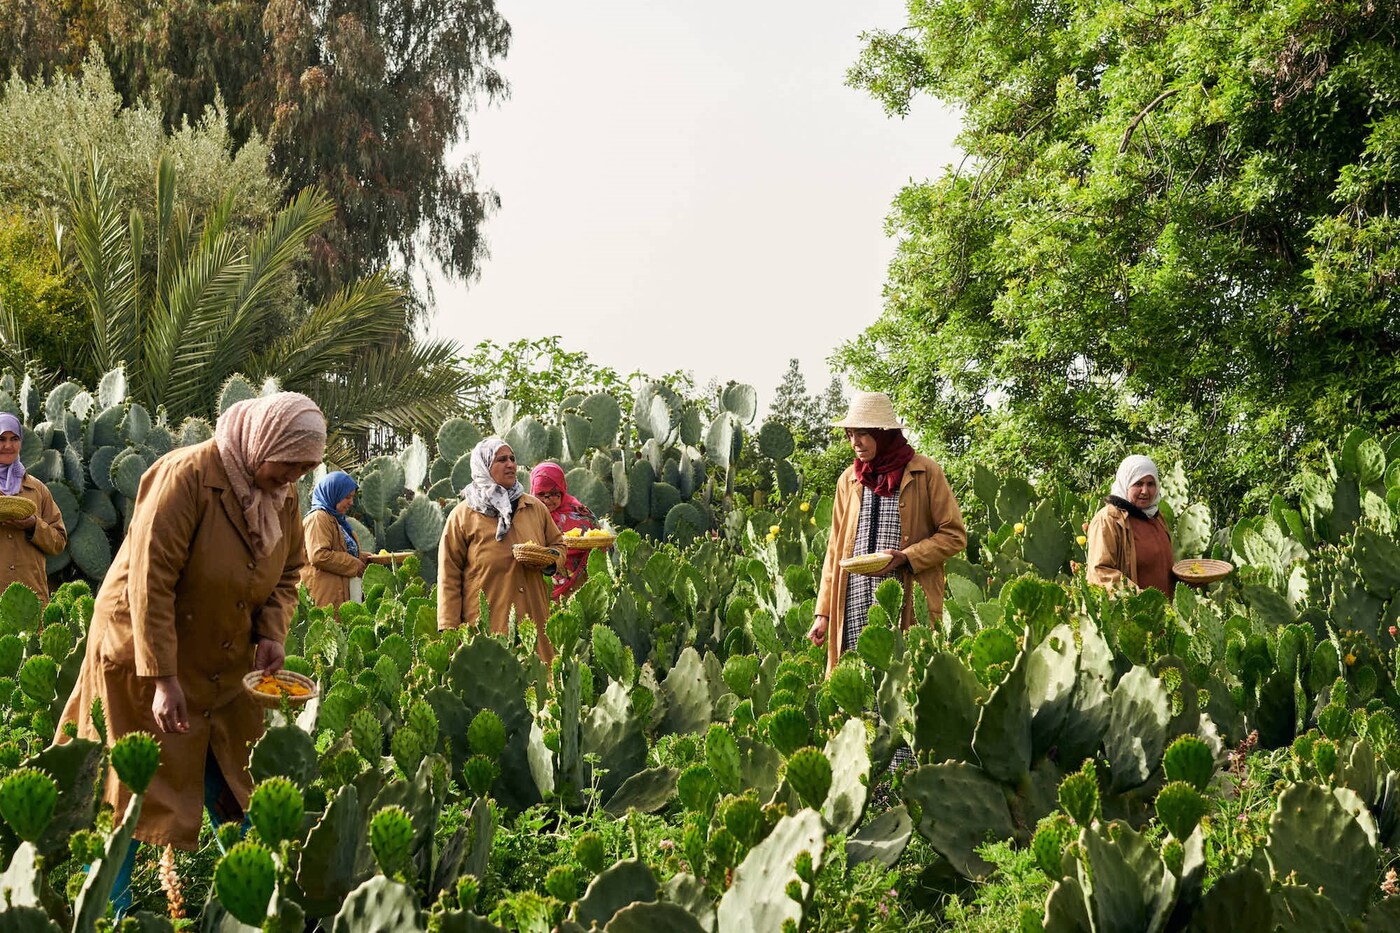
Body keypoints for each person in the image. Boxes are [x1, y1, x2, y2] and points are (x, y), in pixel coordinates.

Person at [56, 393, 326, 914]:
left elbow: (289, 572)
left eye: (306, 468)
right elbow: (150, 581)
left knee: (237, 780)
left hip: (224, 663)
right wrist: (162, 678)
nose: (294, 478)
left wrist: (271, 630)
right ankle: (111, 918)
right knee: (132, 793)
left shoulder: (282, 496)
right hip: (141, 657)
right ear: (263, 442)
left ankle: (260, 911)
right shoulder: (186, 476)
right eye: (290, 463)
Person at [808, 392, 967, 673]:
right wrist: (823, 613)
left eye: (863, 434)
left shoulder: (925, 472)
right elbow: (835, 549)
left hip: (906, 601)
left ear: (883, 434)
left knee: (904, 683)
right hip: (854, 598)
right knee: (859, 685)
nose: (855, 443)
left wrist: (907, 557)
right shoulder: (849, 479)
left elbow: (954, 535)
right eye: (850, 435)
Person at [438, 438, 564, 660]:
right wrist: (450, 630)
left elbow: (558, 544)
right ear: (484, 466)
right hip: (486, 626)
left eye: (513, 459)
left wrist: (549, 560)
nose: (511, 465)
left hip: (533, 622)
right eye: (502, 459)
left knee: (539, 684)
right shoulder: (462, 516)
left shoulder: (535, 507)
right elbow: (449, 576)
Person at [0, 414, 67, 604]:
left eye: (14, 439)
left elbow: (59, 541)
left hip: (31, 597)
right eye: (1, 439)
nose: (8, 446)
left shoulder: (38, 489)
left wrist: (33, 526)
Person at [1086, 454, 1175, 595]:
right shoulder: (1108, 519)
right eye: (1138, 483)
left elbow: (1164, 566)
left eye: (1150, 484)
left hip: (1162, 613)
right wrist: (1139, 597)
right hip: (1129, 613)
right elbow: (1100, 572)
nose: (1145, 491)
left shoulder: (1156, 517)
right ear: (1126, 483)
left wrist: (1187, 580)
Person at [301, 471, 368, 609]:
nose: (351, 502)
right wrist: (353, 564)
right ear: (334, 494)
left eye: (352, 497)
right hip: (326, 597)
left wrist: (362, 557)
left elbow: (341, 550)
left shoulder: (338, 521)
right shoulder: (318, 518)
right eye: (347, 497)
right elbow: (318, 556)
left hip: (341, 593)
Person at [530, 461, 597, 600]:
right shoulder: (526, 514)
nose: (548, 500)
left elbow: (603, 546)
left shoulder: (579, 512)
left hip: (580, 587)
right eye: (541, 494)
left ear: (563, 490)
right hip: (540, 587)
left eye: (554, 493)